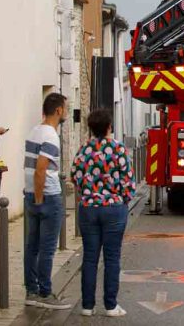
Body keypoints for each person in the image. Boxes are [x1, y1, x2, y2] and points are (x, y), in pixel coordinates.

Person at [71, 109, 135, 317]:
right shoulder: (118, 149)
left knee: (90, 257)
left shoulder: (83, 150)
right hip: (114, 208)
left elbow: (75, 177)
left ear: (91, 128)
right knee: (112, 257)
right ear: (109, 126)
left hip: (89, 208)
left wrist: (88, 194)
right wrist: (123, 198)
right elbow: (128, 181)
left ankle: (87, 306)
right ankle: (110, 305)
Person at [23, 93, 71, 310]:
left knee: (31, 246)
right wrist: (41, 197)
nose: (67, 113)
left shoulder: (34, 131)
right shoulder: (51, 136)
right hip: (47, 196)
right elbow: (41, 169)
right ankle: (44, 292)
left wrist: (33, 195)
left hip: (30, 195)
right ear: (58, 110)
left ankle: (31, 290)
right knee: (47, 248)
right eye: (66, 109)